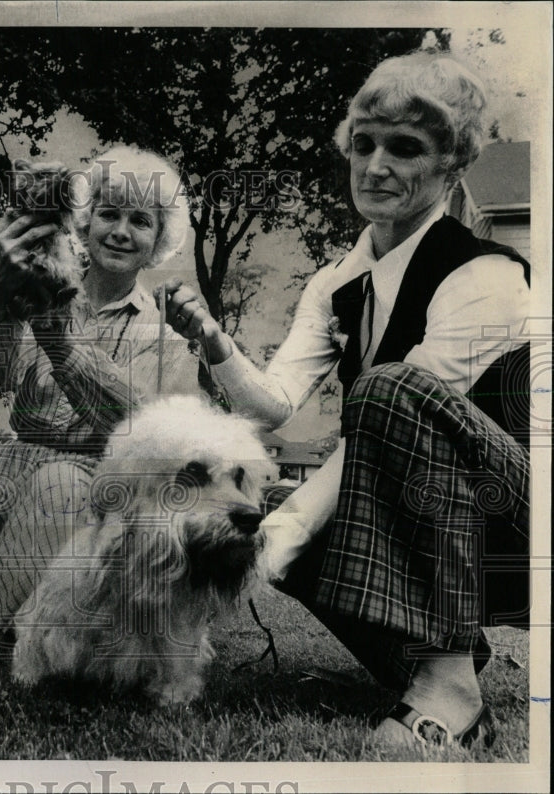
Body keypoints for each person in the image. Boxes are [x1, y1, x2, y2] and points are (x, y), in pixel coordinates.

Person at [161, 51, 529, 748]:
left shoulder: (485, 275)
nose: (376, 166)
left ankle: (448, 685)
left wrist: (281, 529)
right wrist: (212, 339)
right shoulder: (338, 280)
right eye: (364, 144)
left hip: (518, 527)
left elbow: (388, 420)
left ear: (454, 163)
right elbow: (272, 404)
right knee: (294, 527)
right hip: (440, 520)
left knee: (387, 392)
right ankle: (429, 667)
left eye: (406, 148)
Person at [0, 146, 202, 637]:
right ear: (84, 223)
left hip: (101, 493)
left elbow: (153, 443)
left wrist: (61, 344)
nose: (121, 232)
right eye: (108, 214)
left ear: (159, 243)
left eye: (140, 222)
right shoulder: (34, 282)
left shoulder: (167, 338)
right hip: (10, 466)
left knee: (62, 484)